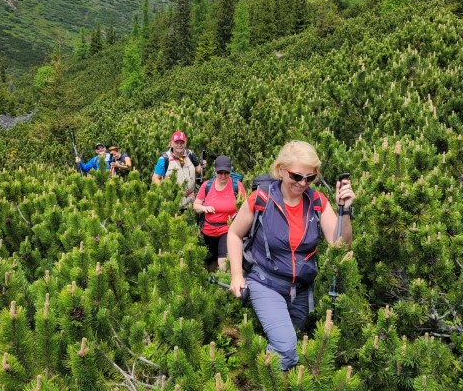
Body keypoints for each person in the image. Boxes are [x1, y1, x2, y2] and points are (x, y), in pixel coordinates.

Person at [227, 140, 355, 371]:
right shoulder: (261, 199)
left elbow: (341, 246)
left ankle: (269, 373)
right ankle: (260, 380)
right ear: (281, 170)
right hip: (265, 283)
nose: (303, 183)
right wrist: (236, 275)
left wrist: (344, 210)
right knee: (287, 349)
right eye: (297, 176)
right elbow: (234, 234)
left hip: (301, 291)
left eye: (310, 178)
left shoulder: (317, 202)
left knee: (293, 344)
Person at [193, 156, 246, 271]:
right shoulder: (207, 185)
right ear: (214, 171)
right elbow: (196, 206)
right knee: (208, 264)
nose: (223, 176)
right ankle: (211, 286)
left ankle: (225, 285)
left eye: (226, 172)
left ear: (230, 171)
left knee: (222, 262)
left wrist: (237, 216)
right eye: (220, 172)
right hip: (207, 230)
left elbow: (244, 207)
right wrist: (204, 208)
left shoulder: (237, 186)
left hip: (226, 229)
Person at [152, 131, 204, 208]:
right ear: (171, 143)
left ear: (185, 143)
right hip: (173, 203)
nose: (179, 145)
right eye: (177, 142)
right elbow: (155, 178)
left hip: (191, 202)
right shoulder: (164, 159)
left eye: (182, 143)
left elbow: (199, 170)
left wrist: (204, 166)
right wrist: (166, 192)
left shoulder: (190, 155)